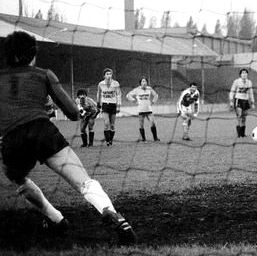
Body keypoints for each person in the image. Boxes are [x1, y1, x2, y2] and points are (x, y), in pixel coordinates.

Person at [0, 31, 135, 244]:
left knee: (17, 177)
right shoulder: (44, 74)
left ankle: (55, 218)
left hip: (12, 139)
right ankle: (110, 212)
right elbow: (72, 113)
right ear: (32, 54)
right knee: (83, 181)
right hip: (43, 132)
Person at [126, 76, 160, 142]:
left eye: (145, 81)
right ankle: (143, 139)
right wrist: (134, 101)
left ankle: (155, 138)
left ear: (147, 83)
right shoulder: (137, 90)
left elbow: (156, 95)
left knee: (152, 123)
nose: (144, 83)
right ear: (140, 83)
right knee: (141, 125)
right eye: (143, 81)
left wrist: (153, 101)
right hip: (141, 110)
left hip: (149, 110)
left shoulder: (149, 89)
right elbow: (128, 95)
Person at [97, 68, 121, 146]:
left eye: (110, 74)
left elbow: (119, 95)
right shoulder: (100, 84)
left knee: (112, 125)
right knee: (106, 123)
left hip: (113, 105)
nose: (109, 75)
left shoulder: (116, 83)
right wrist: (98, 103)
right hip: (105, 105)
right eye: (107, 74)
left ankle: (111, 140)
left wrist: (118, 106)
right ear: (104, 76)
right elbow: (99, 93)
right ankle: (107, 141)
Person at [229, 69, 255, 138]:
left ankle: (243, 134)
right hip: (238, 100)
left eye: (246, 73)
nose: (244, 74)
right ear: (240, 74)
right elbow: (232, 91)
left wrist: (252, 102)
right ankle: (239, 134)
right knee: (239, 116)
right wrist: (231, 101)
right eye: (243, 73)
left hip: (246, 101)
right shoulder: (236, 81)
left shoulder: (249, 82)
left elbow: (251, 92)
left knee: (244, 118)